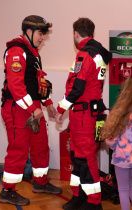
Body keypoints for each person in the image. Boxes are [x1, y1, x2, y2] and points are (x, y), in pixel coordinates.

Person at [0, 15, 62, 206]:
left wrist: (48, 105)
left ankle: (40, 182)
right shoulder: (16, 51)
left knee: (40, 145)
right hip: (17, 108)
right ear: (28, 31)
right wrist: (31, 109)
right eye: (40, 33)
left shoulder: (34, 53)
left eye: (43, 34)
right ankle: (7, 191)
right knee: (18, 150)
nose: (42, 37)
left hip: (33, 107)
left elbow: (39, 83)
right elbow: (16, 86)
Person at [55, 17, 112, 210]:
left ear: (75, 34)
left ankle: (94, 202)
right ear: (93, 34)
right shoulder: (99, 55)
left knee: (85, 159)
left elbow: (77, 88)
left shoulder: (84, 55)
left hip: (83, 115)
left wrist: (61, 109)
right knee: (78, 157)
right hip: (90, 114)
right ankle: (79, 195)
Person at [101, 77, 132, 210]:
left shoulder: (120, 112)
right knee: (130, 184)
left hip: (122, 157)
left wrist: (112, 146)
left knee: (123, 189)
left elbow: (111, 139)